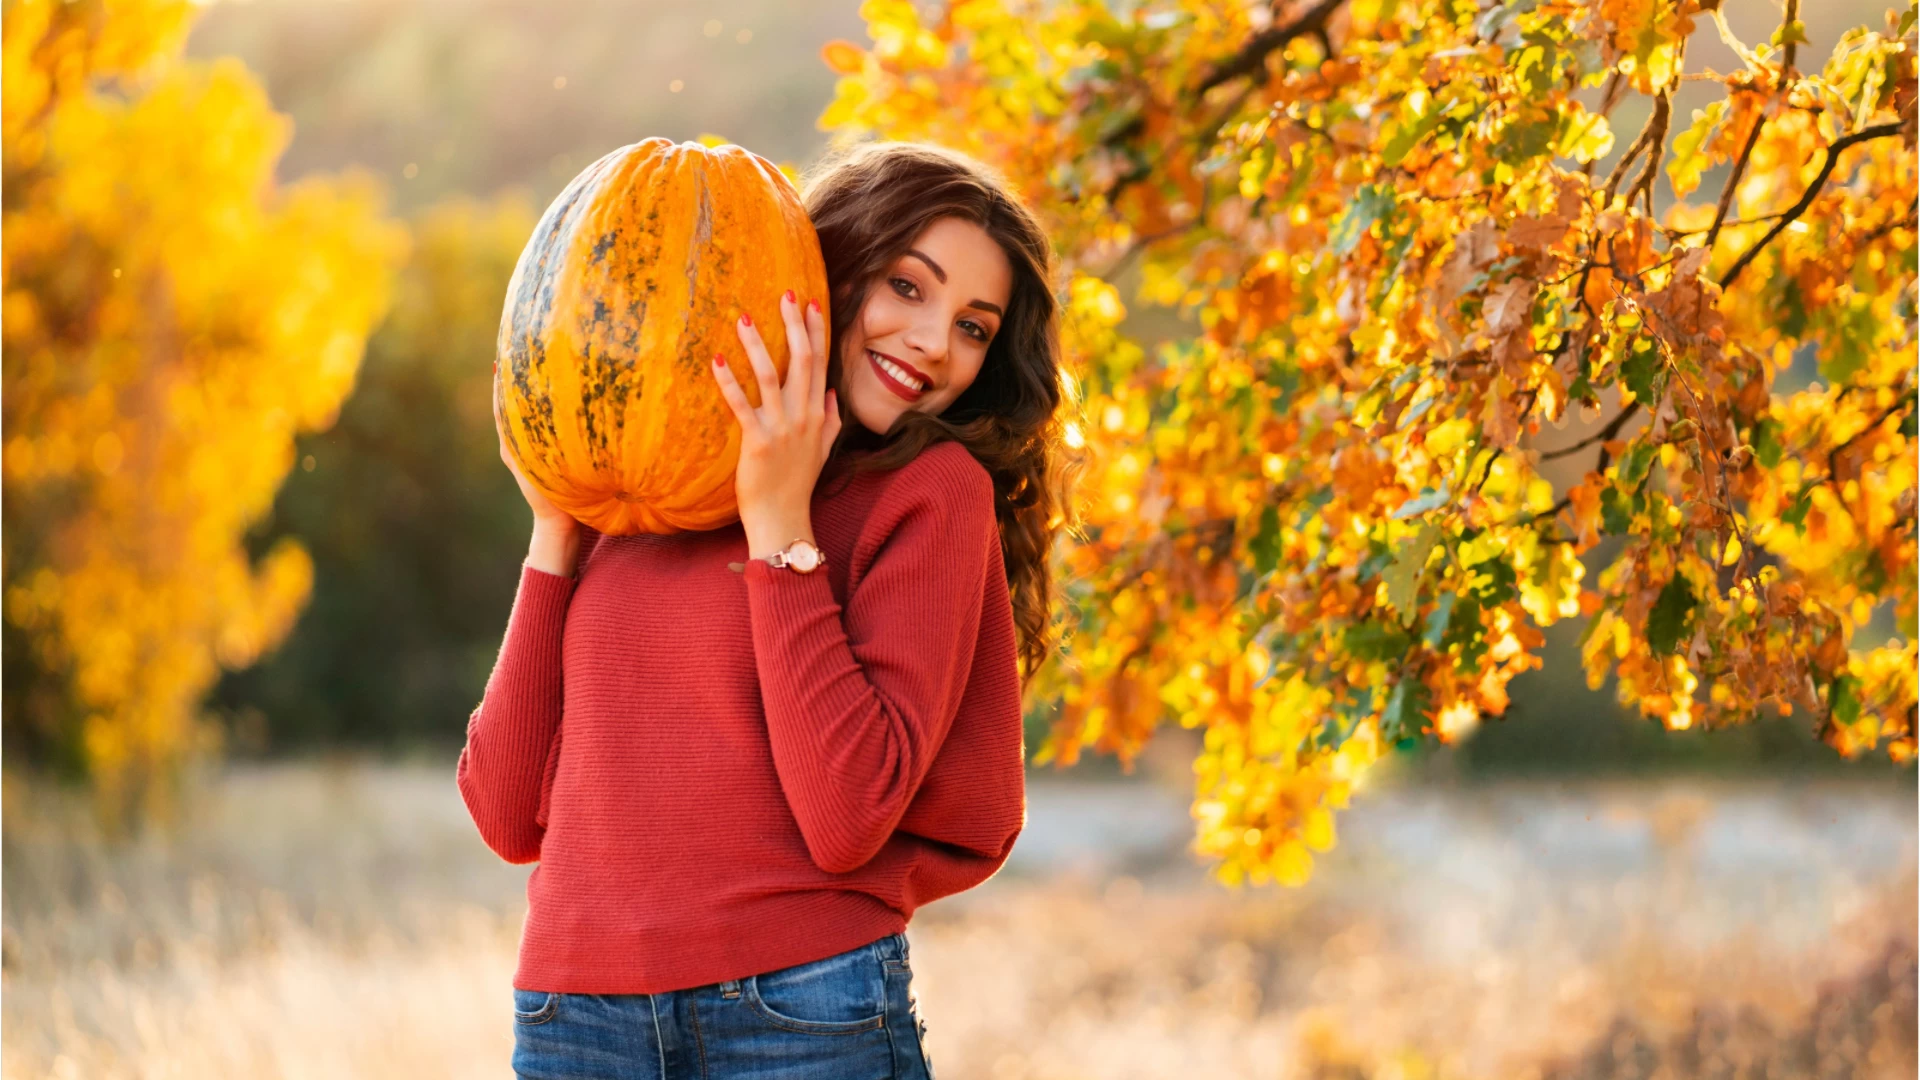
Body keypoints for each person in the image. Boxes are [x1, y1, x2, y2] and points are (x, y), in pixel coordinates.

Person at [459, 139, 1080, 1079]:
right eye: (908, 288)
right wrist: (555, 530)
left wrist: (780, 521)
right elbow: (507, 817)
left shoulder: (931, 493)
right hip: (573, 1014)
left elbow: (846, 817)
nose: (933, 343)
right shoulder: (648, 465)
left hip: (797, 1013)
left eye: (973, 327)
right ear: (830, 267)